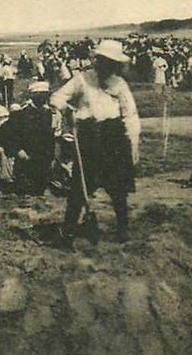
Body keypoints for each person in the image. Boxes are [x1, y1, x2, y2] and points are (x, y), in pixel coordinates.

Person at [51, 39, 140, 243]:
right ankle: (70, 229)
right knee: (79, 187)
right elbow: (57, 97)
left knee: (118, 189)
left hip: (114, 138)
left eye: (112, 62)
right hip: (89, 138)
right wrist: (68, 109)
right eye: (103, 61)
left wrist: (133, 143)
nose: (107, 66)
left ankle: (122, 228)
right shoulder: (82, 79)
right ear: (98, 60)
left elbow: (130, 115)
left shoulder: (119, 84)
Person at [0, 81, 61, 195]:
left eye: (45, 95)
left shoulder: (48, 114)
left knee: (39, 192)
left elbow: (50, 138)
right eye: (39, 95)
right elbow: (5, 134)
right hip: (25, 161)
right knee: (24, 194)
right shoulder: (21, 114)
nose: (42, 98)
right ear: (32, 96)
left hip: (43, 161)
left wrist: (51, 157)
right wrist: (18, 151)